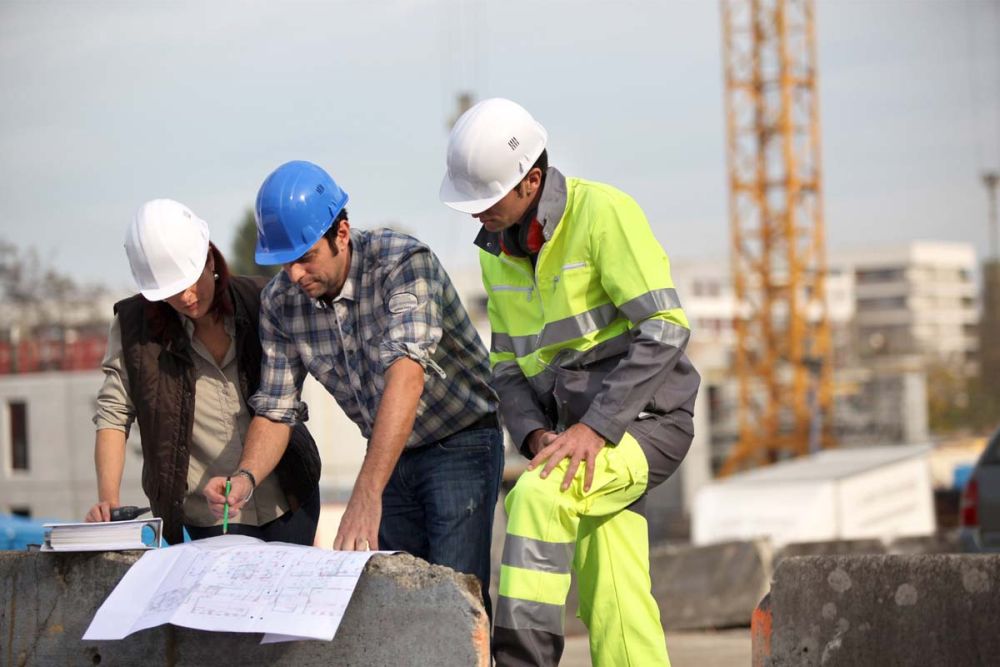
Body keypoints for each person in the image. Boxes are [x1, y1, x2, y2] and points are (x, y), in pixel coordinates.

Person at [440, 98, 701, 666]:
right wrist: (533, 434)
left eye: (486, 200)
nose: (475, 214)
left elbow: (665, 326)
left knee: (536, 495)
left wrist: (596, 429)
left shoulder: (603, 213)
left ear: (531, 181)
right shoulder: (495, 253)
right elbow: (505, 365)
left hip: (646, 425)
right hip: (568, 435)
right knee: (614, 582)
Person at [203, 161, 503, 616]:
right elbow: (276, 408)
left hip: (459, 443)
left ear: (341, 233)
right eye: (285, 263)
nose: (296, 276)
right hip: (387, 456)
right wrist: (245, 477)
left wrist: (367, 490)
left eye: (306, 258)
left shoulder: (403, 265)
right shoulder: (281, 304)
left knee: (454, 603)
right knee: (403, 607)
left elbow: (406, 375)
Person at [87, 198, 321, 546]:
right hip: (211, 514)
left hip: (288, 495)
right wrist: (109, 499)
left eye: (192, 280)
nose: (187, 296)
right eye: (171, 291)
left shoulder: (261, 300)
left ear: (210, 258)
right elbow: (113, 414)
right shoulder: (134, 329)